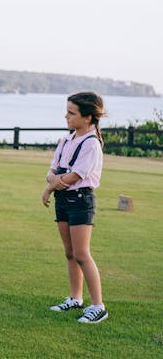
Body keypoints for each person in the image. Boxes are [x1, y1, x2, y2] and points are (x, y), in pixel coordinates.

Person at [41, 91, 108, 323]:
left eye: (72, 113)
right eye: (67, 112)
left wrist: (51, 187)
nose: (66, 117)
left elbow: (75, 176)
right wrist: (51, 183)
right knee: (69, 253)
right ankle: (75, 298)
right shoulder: (66, 140)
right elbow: (53, 169)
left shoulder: (91, 144)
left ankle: (98, 306)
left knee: (81, 253)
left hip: (80, 200)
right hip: (64, 201)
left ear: (88, 117)